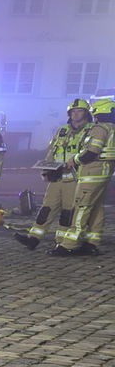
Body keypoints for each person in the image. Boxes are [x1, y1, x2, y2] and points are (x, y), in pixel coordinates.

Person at [16, 100, 92, 249]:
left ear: (86, 113)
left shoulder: (91, 130)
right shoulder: (62, 130)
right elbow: (52, 152)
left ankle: (62, 242)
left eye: (79, 111)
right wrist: (45, 170)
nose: (75, 114)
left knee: (68, 212)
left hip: (75, 179)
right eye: (73, 111)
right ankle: (33, 238)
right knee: (46, 209)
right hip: (56, 179)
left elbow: (89, 154)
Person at [53, 98, 114, 256]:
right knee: (96, 208)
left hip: (91, 173)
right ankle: (92, 242)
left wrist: (74, 160)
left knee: (82, 207)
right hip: (104, 173)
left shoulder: (100, 128)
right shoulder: (112, 128)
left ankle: (70, 244)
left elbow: (92, 151)